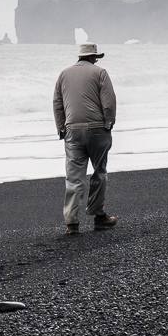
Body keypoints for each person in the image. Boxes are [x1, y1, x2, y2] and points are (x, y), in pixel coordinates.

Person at [52, 43, 118, 233]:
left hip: (72, 129)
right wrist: (109, 122)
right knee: (99, 171)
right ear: (93, 57)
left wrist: (61, 128)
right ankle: (98, 216)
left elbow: (57, 103)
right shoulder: (100, 73)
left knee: (74, 177)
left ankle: (71, 221)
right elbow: (108, 102)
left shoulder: (64, 74)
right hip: (97, 129)